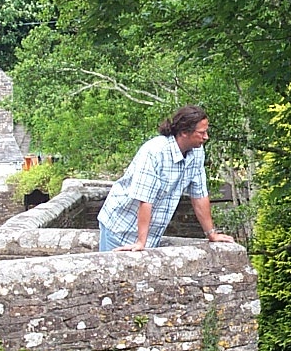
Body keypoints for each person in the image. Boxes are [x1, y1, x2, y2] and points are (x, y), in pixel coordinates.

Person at [98, 105, 235, 251]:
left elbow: (199, 195)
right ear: (184, 132)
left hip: (150, 236)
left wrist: (211, 234)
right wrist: (141, 242)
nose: (206, 137)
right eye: (201, 132)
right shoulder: (155, 152)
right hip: (119, 228)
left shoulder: (197, 152)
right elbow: (145, 198)